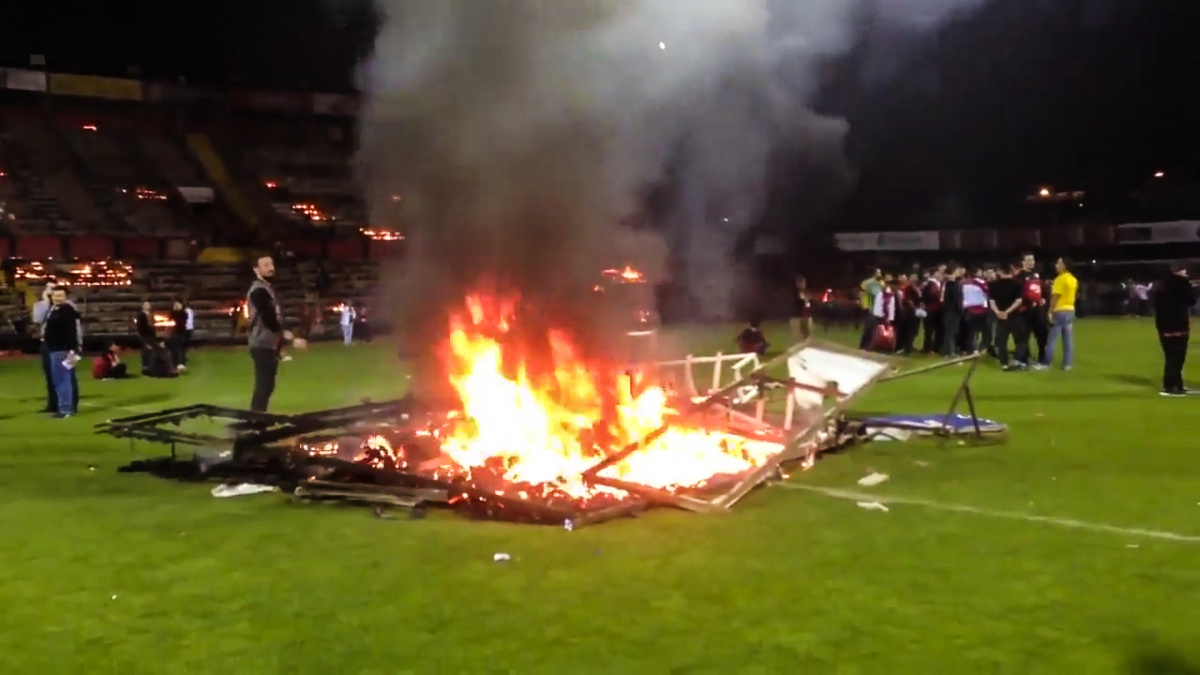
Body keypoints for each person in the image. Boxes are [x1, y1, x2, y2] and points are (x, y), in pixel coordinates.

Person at [247, 255, 306, 412]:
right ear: (256, 269)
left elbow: (275, 318)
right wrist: (289, 339)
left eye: (272, 264)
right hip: (262, 343)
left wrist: (280, 344)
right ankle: (255, 420)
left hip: (268, 344)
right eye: (265, 265)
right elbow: (269, 318)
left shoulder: (268, 289)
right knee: (264, 385)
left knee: (267, 385)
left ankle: (257, 418)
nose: (271, 268)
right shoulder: (258, 290)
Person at [1152, 263, 1194, 397]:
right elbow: (1191, 300)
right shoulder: (1182, 284)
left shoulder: (1161, 284)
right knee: (1177, 358)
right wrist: (1187, 283)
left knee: (1170, 356)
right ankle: (1172, 387)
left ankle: (1174, 385)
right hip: (1178, 324)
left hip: (1163, 325)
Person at [43, 286, 82, 418]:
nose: (57, 298)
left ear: (65, 297)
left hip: (61, 349)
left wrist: (72, 349)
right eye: (55, 295)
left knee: (62, 380)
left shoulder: (63, 311)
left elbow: (70, 332)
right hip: (65, 349)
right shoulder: (62, 310)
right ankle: (67, 407)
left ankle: (65, 409)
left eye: (60, 296)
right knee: (66, 379)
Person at [989, 263, 1029, 371]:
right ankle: (1017, 361)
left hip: (1001, 318)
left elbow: (991, 300)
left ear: (1001, 272)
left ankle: (1004, 364)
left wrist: (998, 312)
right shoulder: (1018, 284)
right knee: (1021, 340)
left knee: (1001, 341)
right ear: (1011, 271)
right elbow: (1019, 301)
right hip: (1015, 316)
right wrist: (1007, 311)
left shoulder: (993, 285)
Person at [1041, 257, 1079, 370]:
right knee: (1068, 340)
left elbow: (1056, 297)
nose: (1056, 265)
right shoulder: (1073, 279)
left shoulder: (1060, 279)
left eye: (1058, 263)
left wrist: (1049, 311)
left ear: (1064, 266)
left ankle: (1046, 363)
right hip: (1070, 309)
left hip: (1060, 310)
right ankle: (1067, 364)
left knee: (1052, 338)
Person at [861, 274, 895, 351]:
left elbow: (890, 307)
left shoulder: (889, 295)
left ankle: (875, 346)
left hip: (880, 314)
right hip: (876, 313)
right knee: (870, 330)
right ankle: (865, 346)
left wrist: (889, 317)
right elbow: (879, 304)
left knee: (877, 331)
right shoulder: (879, 292)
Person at [961, 268, 990, 354]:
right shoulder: (981, 283)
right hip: (980, 310)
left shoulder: (964, 283)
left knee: (971, 332)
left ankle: (971, 349)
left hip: (968, 309)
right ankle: (982, 348)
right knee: (984, 331)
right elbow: (987, 293)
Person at [940, 266, 964, 357]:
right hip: (952, 311)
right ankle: (951, 352)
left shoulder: (949, 284)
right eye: (957, 270)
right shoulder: (951, 284)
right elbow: (956, 299)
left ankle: (946, 351)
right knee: (950, 332)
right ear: (953, 272)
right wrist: (960, 309)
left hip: (949, 310)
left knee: (949, 332)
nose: (959, 272)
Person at [920, 268, 944, 353]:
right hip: (931, 309)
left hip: (936, 309)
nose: (941, 275)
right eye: (938, 273)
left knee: (934, 329)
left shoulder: (937, 284)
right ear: (934, 274)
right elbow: (927, 296)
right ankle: (928, 348)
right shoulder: (930, 284)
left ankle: (933, 347)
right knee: (929, 330)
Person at [789, 275, 813, 342]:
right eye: (802, 282)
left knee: (806, 334)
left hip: (806, 316)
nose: (803, 284)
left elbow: (808, 303)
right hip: (797, 317)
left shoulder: (805, 293)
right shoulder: (794, 293)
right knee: (798, 336)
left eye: (804, 282)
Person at [168, 300, 189, 370]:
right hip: (173, 333)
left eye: (178, 304)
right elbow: (169, 320)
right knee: (174, 348)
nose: (176, 305)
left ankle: (181, 362)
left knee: (180, 348)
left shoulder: (183, 313)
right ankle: (175, 362)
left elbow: (183, 322)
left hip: (181, 332)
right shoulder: (172, 312)